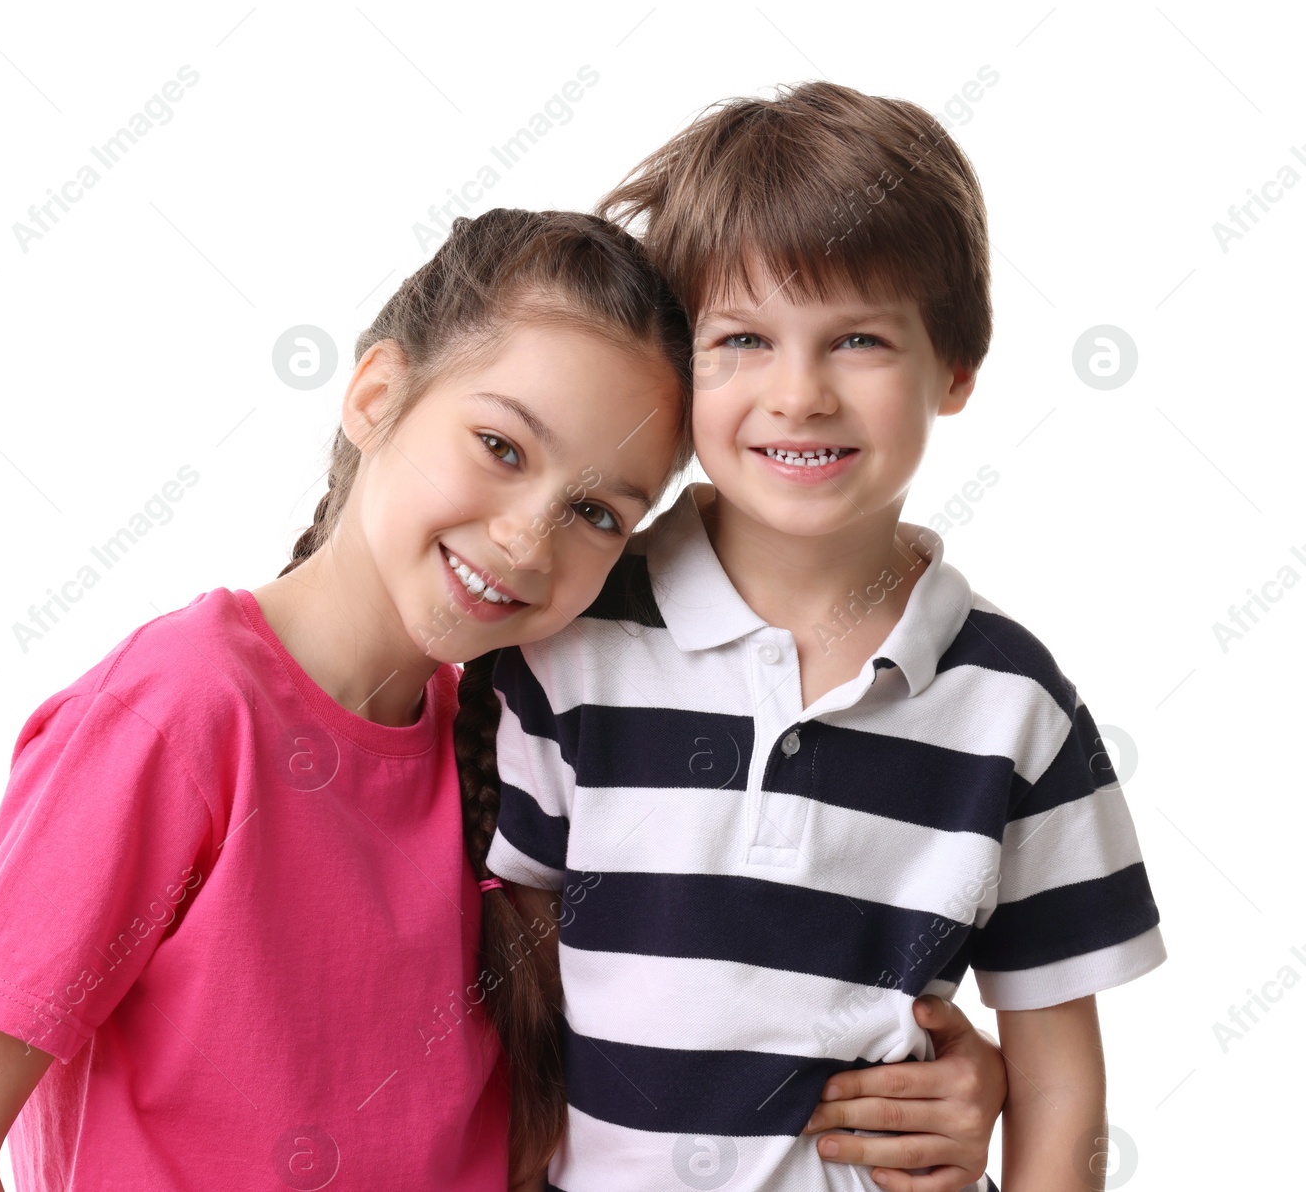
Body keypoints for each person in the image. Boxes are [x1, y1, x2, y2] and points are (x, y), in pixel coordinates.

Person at [0, 207, 1005, 1192]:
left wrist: (945, 1076)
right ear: (377, 390)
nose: (524, 534)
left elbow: (676, 1023)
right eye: (501, 445)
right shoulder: (181, 711)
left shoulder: (525, 737)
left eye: (600, 512)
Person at [480, 84, 1166, 1192]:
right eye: (742, 338)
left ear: (954, 366)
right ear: (677, 368)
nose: (797, 394)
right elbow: (507, 986)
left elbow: (1059, 1077)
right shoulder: (573, 642)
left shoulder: (1013, 705)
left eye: (857, 339)